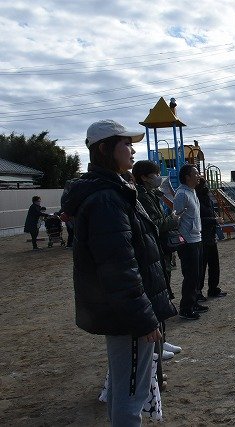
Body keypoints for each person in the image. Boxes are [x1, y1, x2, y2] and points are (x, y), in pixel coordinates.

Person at [61, 119, 176, 425]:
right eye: (125, 143)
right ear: (104, 149)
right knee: (131, 394)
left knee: (124, 388)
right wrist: (143, 318)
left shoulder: (113, 190)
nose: (132, 149)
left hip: (122, 312)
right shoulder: (107, 199)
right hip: (126, 316)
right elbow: (119, 267)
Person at [132, 160, 182, 363]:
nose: (159, 177)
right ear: (144, 177)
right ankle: (156, 345)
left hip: (160, 252)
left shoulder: (152, 194)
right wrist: (173, 219)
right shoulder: (141, 197)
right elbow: (154, 224)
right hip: (153, 252)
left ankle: (162, 339)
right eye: (155, 173)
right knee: (155, 298)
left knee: (162, 295)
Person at [174, 164, 209, 320]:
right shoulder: (182, 194)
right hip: (188, 241)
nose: (198, 175)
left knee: (197, 273)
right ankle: (186, 308)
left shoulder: (192, 191)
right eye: (195, 173)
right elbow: (176, 219)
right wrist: (182, 239)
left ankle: (193, 302)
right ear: (187, 177)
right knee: (190, 275)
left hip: (197, 237)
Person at [195, 178, 226, 300]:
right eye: (204, 185)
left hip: (211, 236)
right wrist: (214, 220)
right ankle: (198, 292)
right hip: (202, 237)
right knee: (201, 267)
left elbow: (210, 214)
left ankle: (213, 289)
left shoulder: (207, 199)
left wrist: (215, 219)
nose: (206, 188)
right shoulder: (196, 199)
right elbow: (198, 220)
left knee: (214, 265)